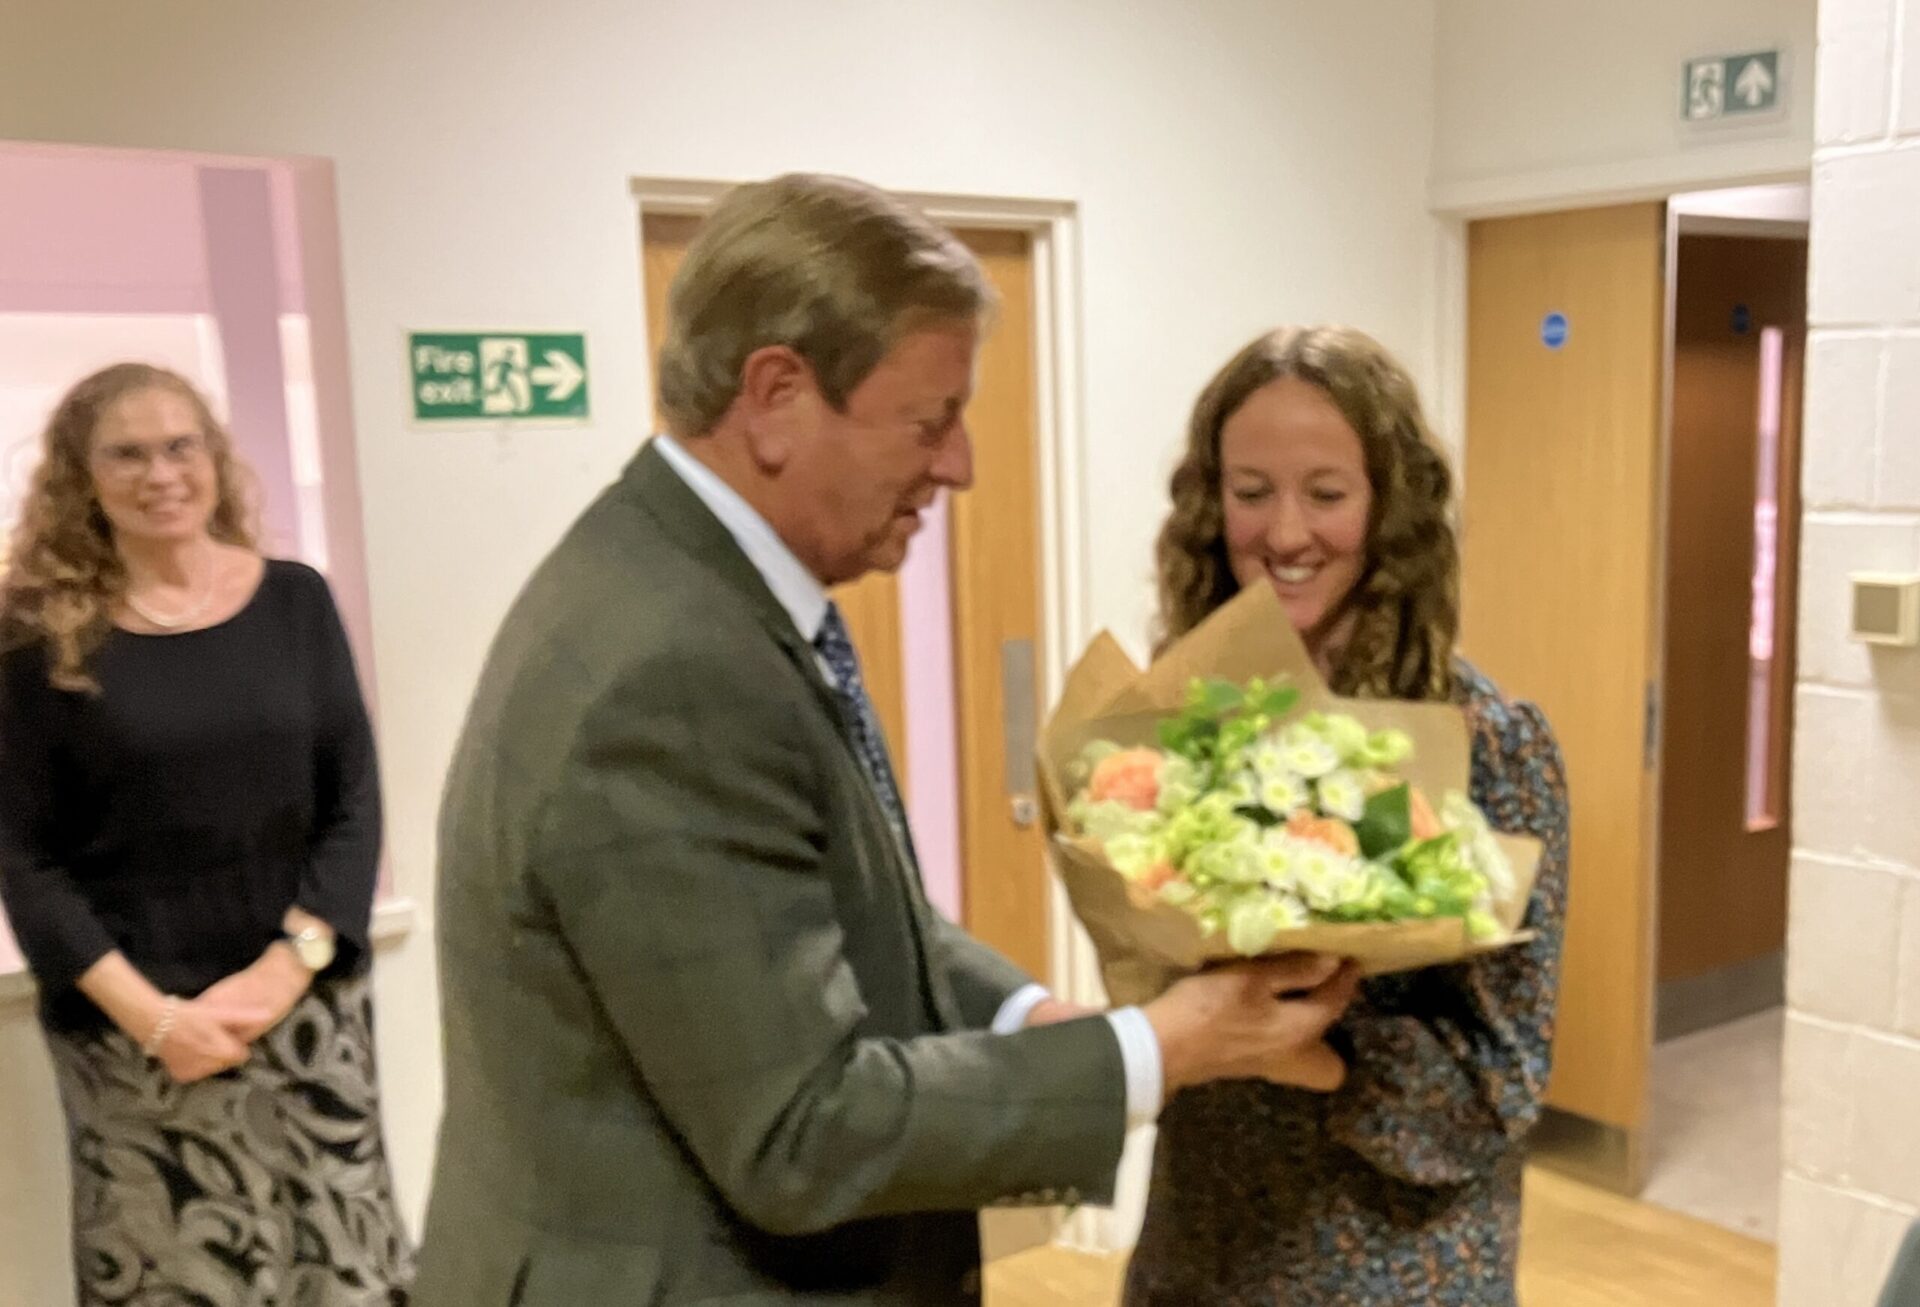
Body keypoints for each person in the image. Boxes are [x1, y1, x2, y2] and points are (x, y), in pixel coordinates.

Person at [414, 173, 1360, 1306]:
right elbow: (802, 1128)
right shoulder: (677, 670)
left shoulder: (665, 578)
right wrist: (1163, 1047)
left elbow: (830, 916)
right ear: (775, 395)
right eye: (930, 419)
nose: (958, 463)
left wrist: (1031, 1015)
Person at [1123, 326, 1572, 1307]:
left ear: (1389, 510)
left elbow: (1500, 1082)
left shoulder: (1486, 740)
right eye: (1251, 492)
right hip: (1201, 1238)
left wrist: (1310, 1050)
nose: (1286, 533)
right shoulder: (1192, 723)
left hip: (1389, 1258)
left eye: (1326, 493)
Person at [0, 363, 414, 1305]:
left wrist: (286, 967)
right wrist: (157, 1019)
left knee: (341, 1271)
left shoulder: (295, 602)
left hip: (306, 1015)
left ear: (215, 458)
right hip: (137, 1037)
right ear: (82, 474)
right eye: (128, 453)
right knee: (181, 1282)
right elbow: (25, 857)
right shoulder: (37, 636)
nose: (161, 473)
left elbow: (353, 800)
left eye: (180, 445)